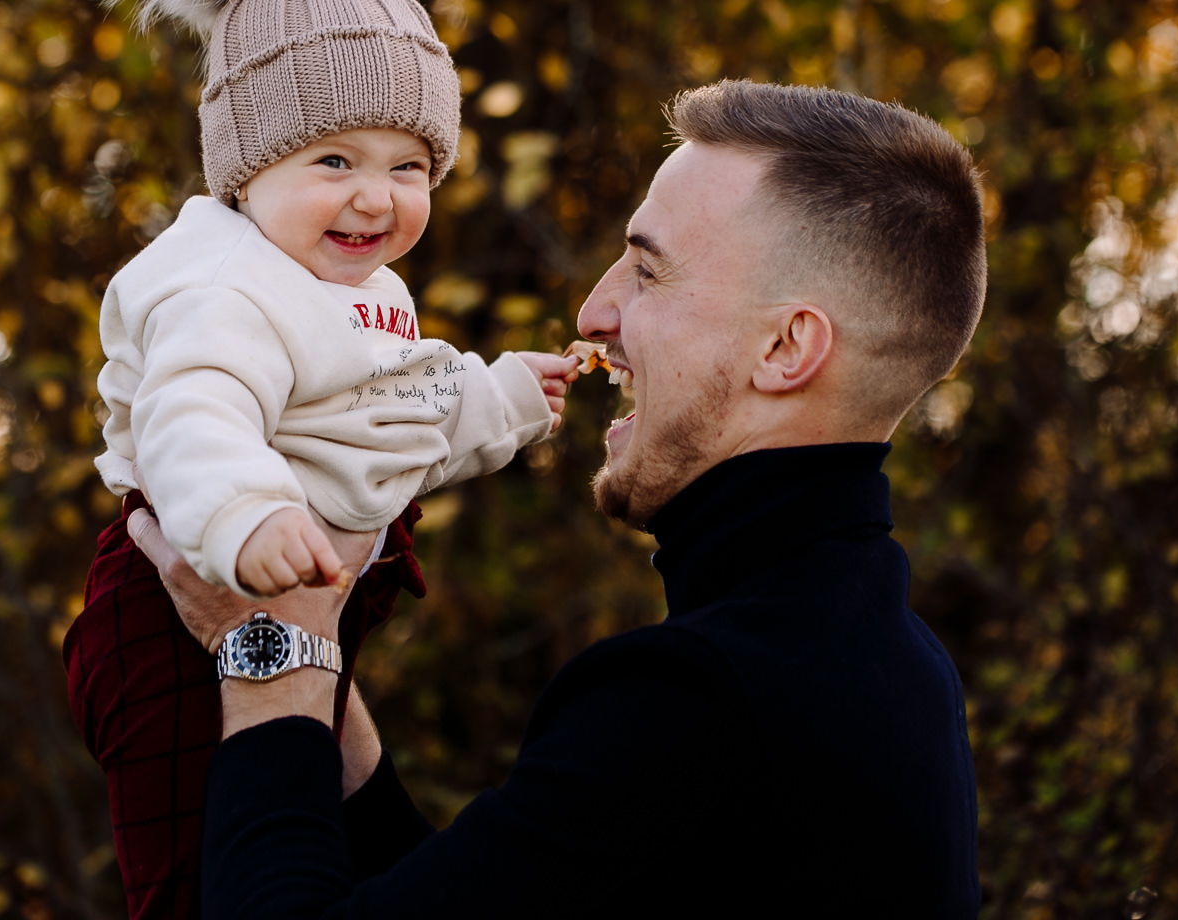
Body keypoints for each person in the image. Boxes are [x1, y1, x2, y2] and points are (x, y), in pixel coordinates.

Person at [121, 78, 989, 917]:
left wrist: (265, 650)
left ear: (786, 348)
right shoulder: (894, 665)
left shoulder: (698, 703)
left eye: (648, 274)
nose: (593, 311)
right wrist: (324, 656)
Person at [60, 0, 575, 920]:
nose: (376, 196)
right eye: (333, 160)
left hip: (294, 603)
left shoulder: (355, 289)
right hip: (178, 611)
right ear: (246, 169)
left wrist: (499, 397)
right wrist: (245, 516)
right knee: (199, 875)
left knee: (325, 853)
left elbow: (391, 414)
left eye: (409, 165)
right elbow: (191, 412)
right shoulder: (220, 284)